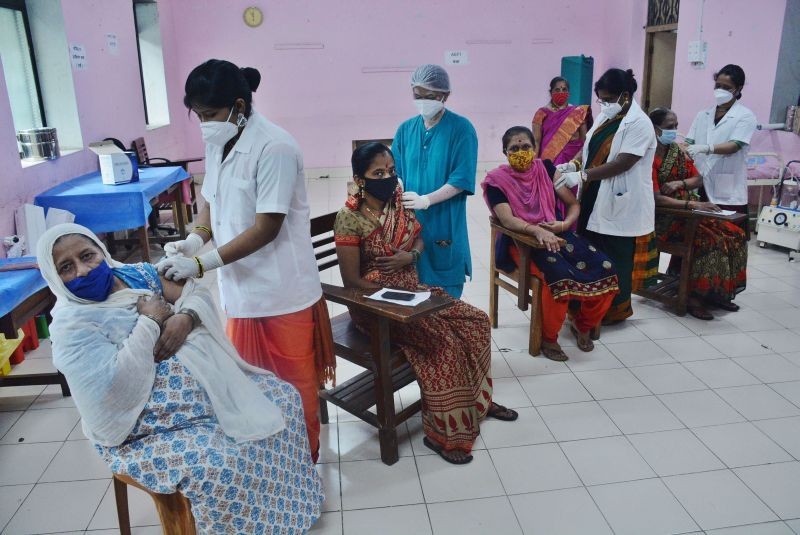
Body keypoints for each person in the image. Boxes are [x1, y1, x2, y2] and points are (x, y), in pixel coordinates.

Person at [37, 224, 323, 534]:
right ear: (54, 278)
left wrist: (185, 320)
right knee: (219, 464)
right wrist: (150, 321)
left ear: (102, 252)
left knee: (284, 399)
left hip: (205, 390)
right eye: (66, 267)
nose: (82, 271)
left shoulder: (136, 275)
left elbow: (194, 292)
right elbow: (110, 390)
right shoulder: (71, 328)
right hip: (146, 427)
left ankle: (289, 514)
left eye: (87, 256)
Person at [156, 59, 334, 463]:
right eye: (198, 115)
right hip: (242, 291)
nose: (204, 124)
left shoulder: (276, 147)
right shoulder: (220, 140)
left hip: (283, 292)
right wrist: (194, 240)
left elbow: (266, 227)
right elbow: (211, 200)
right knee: (252, 386)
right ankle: (269, 468)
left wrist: (201, 266)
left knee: (293, 389)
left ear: (239, 105)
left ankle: (303, 465)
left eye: (210, 114)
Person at [334, 142, 518, 465]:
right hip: (376, 306)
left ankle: (479, 403)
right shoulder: (349, 218)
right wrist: (391, 294)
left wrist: (411, 255)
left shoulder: (397, 203)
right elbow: (352, 282)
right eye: (378, 173)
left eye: (391, 171)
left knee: (475, 322)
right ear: (359, 179)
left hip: (413, 290)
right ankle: (444, 434)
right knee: (443, 342)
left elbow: (418, 238)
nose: (388, 178)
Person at [482, 127, 619, 361]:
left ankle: (582, 324)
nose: (521, 152)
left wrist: (564, 225)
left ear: (534, 148)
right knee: (558, 278)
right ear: (505, 153)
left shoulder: (545, 169)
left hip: (557, 233)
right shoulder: (497, 181)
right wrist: (536, 230)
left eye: (526, 146)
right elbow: (506, 219)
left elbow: (573, 204)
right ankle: (548, 337)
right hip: (522, 241)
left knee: (607, 269)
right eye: (514, 148)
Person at [556, 68, 658, 324]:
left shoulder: (640, 123)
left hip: (621, 198)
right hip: (594, 193)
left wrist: (583, 176)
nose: (605, 104)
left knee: (615, 256)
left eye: (609, 99)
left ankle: (614, 311)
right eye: (601, 99)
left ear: (625, 95)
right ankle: (588, 305)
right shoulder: (606, 116)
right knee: (591, 249)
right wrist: (573, 165)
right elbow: (589, 147)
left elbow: (624, 162)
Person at [650, 108, 747, 319]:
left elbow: (698, 179)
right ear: (654, 129)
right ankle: (694, 297)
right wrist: (690, 206)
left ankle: (716, 293)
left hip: (689, 211)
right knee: (709, 240)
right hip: (664, 218)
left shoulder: (677, 152)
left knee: (734, 234)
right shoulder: (647, 156)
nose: (674, 131)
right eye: (669, 127)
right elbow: (656, 198)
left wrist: (680, 183)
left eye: (675, 126)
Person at [392, 64, 478, 299]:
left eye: (429, 97)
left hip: (444, 220)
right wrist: (398, 188)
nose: (422, 102)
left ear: (445, 95)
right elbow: (395, 170)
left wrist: (427, 200)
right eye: (417, 96)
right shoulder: (406, 129)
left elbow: (461, 179)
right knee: (413, 288)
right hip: (411, 221)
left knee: (443, 296)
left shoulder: (462, 129)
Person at [685, 64, 757, 238]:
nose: (720, 90)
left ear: (738, 89)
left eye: (727, 87)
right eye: (718, 86)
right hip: (700, 182)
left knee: (726, 239)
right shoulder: (703, 114)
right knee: (696, 239)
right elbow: (688, 142)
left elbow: (735, 145)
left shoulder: (745, 116)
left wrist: (707, 148)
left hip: (726, 187)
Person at [532, 77, 591, 231]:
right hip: (549, 160)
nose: (561, 92)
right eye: (557, 89)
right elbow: (536, 141)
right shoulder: (541, 113)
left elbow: (585, 142)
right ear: (550, 92)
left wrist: (577, 162)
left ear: (569, 92)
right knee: (550, 193)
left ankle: (568, 228)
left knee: (569, 194)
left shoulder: (578, 113)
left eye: (564, 89)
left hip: (572, 161)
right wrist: (534, 164)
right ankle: (551, 224)